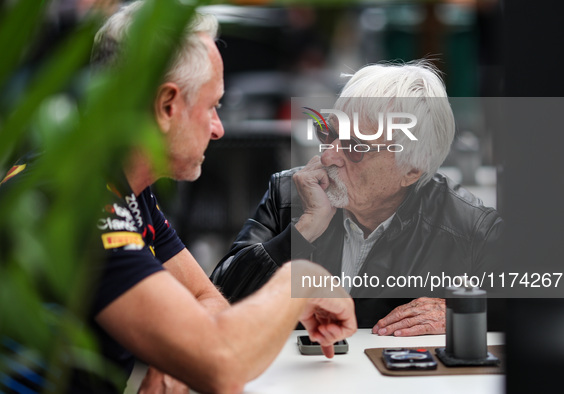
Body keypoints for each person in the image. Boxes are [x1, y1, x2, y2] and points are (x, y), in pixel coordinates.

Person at [1, 1, 356, 393]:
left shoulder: (114, 180)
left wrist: (177, 354)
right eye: (213, 105)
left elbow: (207, 297)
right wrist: (301, 276)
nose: (219, 129)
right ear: (167, 106)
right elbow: (221, 362)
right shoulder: (78, 203)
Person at [211, 61, 503, 336]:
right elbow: (218, 299)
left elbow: (533, 302)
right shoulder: (291, 193)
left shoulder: (468, 227)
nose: (327, 155)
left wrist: (461, 310)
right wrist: (302, 232)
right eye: (328, 132)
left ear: (411, 170)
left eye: (354, 147)